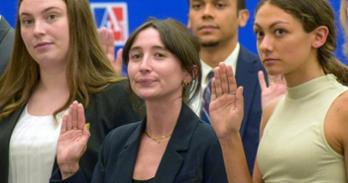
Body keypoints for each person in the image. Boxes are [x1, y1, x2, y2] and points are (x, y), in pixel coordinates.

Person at [51, 18, 228, 183]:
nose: (143, 66)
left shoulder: (207, 142)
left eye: (159, 55)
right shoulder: (115, 142)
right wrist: (69, 169)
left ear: (189, 73)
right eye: (136, 56)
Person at [0, 0, 143, 183]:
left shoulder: (118, 97)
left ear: (77, 21)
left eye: (51, 17)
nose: (37, 30)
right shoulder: (7, 97)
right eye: (27, 21)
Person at [210, 0, 348, 182]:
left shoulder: (343, 107)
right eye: (260, 33)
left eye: (279, 32)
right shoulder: (270, 112)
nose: (265, 46)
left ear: (319, 36)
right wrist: (229, 136)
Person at [187, 0, 266, 172]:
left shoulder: (268, 77)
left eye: (219, 5)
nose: (206, 13)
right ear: (189, 18)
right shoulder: (173, 80)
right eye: (197, 6)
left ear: (243, 17)